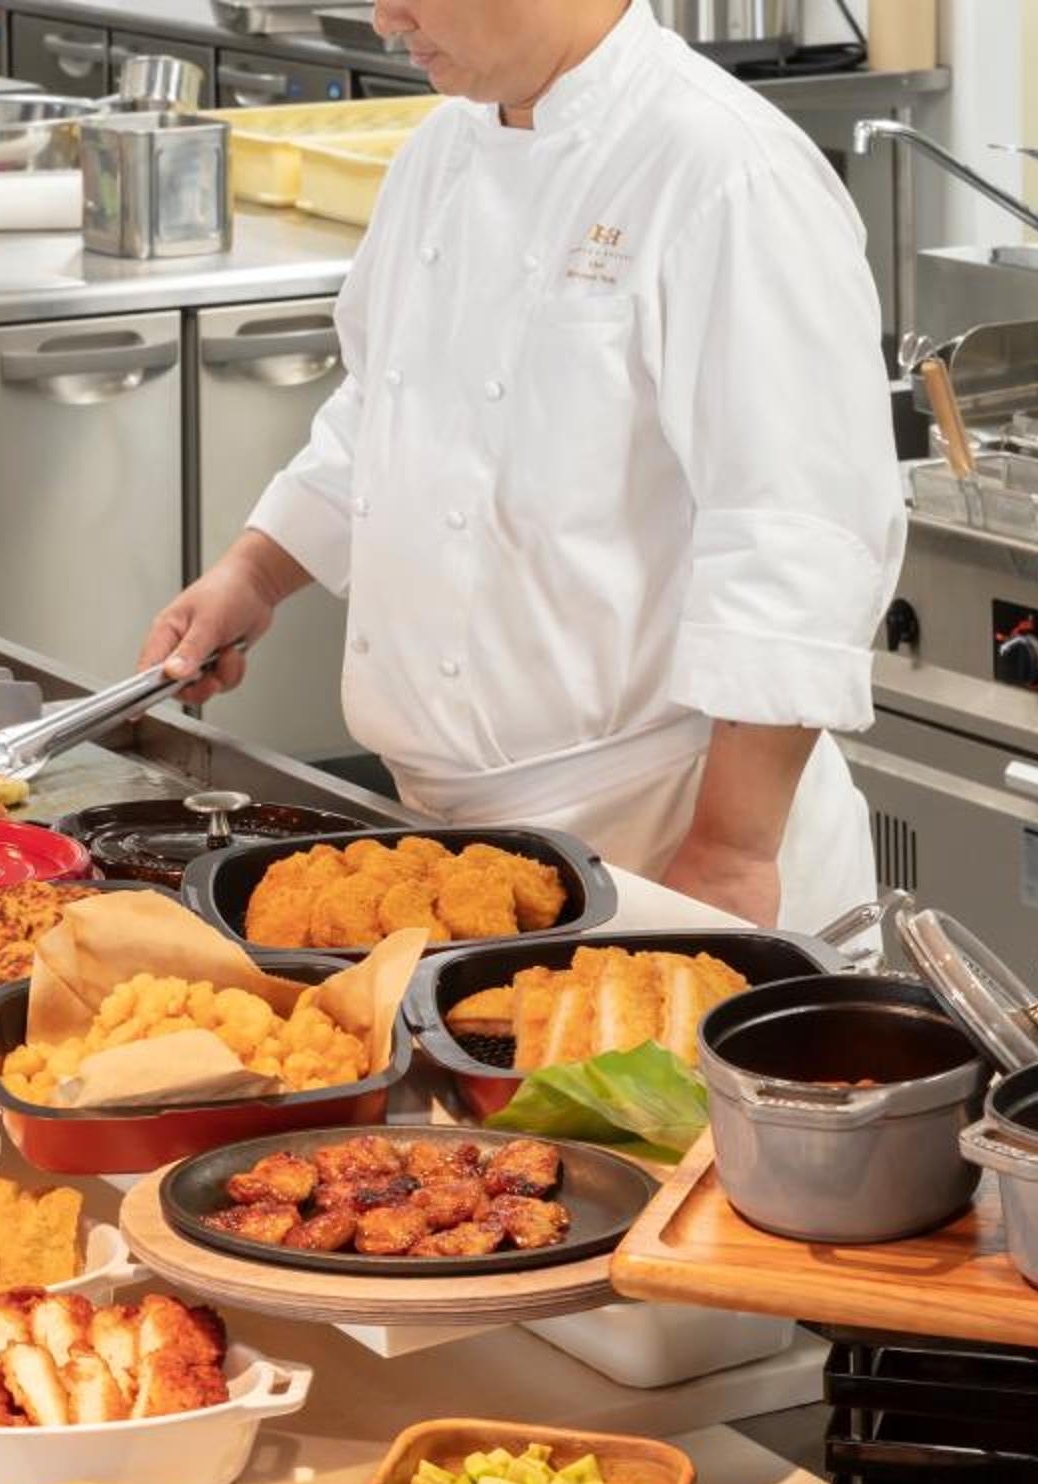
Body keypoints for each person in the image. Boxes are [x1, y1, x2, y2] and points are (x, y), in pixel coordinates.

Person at [138, 0, 905, 930]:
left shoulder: (729, 173)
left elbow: (796, 534)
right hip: (454, 844)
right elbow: (382, 410)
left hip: (668, 836)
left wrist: (732, 852)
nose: (384, 19)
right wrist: (255, 572)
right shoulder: (441, 152)